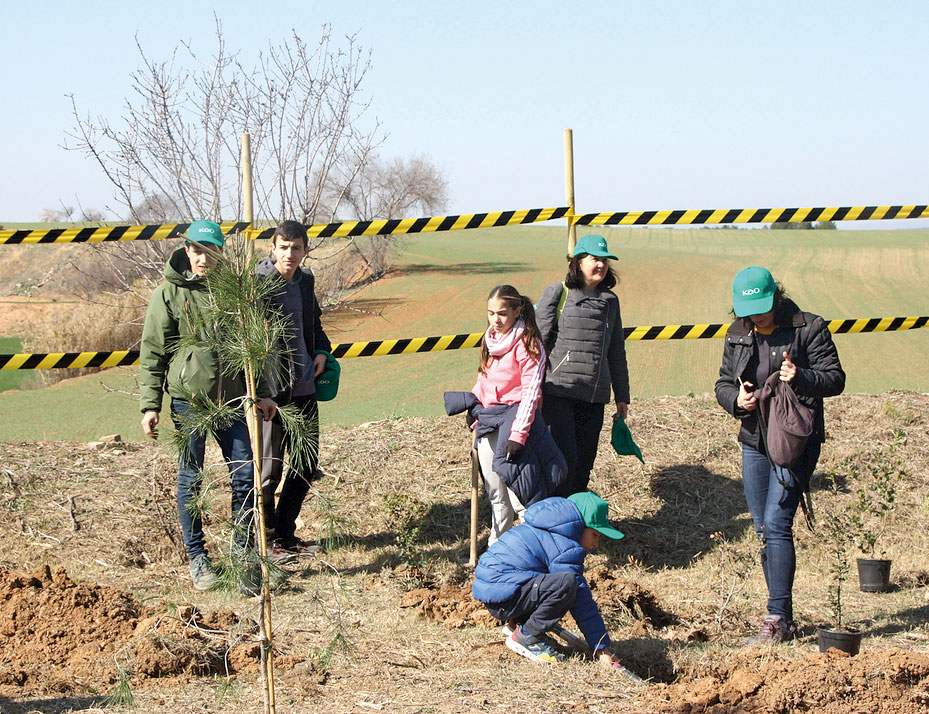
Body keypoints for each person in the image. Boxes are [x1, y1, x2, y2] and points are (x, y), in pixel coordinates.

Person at [139, 220, 276, 591]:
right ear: (187, 251)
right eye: (197, 251)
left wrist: (263, 392)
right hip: (189, 402)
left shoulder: (234, 291)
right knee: (191, 478)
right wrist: (150, 405)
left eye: (211, 251)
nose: (204, 258)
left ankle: (243, 555)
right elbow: (153, 352)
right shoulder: (168, 294)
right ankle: (198, 558)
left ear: (221, 252)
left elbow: (253, 346)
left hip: (231, 400)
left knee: (246, 473)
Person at [715, 266, 845, 643]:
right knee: (762, 529)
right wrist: (736, 400)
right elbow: (723, 383)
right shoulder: (738, 332)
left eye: (761, 307)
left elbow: (835, 378)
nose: (756, 316)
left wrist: (799, 376)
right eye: (748, 310)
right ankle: (780, 616)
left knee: (776, 524)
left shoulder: (809, 327)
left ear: (776, 297)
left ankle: (777, 617)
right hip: (755, 441)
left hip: (795, 442)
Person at [457, 284, 565, 545]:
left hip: (515, 425)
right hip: (488, 422)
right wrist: (474, 403)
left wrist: (518, 436)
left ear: (517, 311)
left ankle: (534, 549)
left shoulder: (528, 344)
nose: (495, 319)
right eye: (491, 313)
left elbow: (530, 392)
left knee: (521, 496)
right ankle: (498, 550)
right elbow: (484, 378)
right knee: (496, 494)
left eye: (502, 313)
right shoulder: (490, 340)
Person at [472, 491, 629, 670]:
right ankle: (527, 636)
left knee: (546, 579)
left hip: (498, 592)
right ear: (581, 525)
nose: (596, 544)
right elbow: (581, 600)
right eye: (595, 534)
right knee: (566, 584)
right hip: (505, 597)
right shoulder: (565, 545)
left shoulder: (546, 527)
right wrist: (600, 647)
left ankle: (519, 624)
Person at [255, 220, 332, 559]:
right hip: (272, 394)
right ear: (272, 248)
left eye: (296, 248)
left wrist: (321, 351)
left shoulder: (305, 281)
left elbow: (314, 323)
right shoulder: (258, 286)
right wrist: (261, 392)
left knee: (305, 463)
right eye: (283, 247)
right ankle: (266, 539)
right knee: (269, 470)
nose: (289, 254)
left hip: (305, 388)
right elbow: (248, 343)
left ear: (306, 250)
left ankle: (285, 534)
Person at [536, 234, 631, 496]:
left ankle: (577, 515)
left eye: (604, 260)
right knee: (563, 462)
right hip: (559, 393)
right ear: (578, 262)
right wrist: (533, 392)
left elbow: (616, 350)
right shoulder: (558, 293)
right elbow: (537, 347)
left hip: (593, 396)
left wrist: (622, 395)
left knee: (584, 464)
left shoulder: (610, 301)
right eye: (594, 259)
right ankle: (556, 514)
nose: (600, 265)